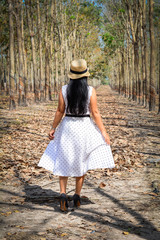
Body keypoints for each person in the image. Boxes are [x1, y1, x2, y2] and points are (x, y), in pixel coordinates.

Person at [38, 59, 115, 212]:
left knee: (63, 159)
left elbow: (60, 111)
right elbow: (95, 112)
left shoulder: (64, 89)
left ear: (71, 75)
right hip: (84, 128)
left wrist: (53, 127)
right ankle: (77, 196)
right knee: (82, 161)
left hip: (67, 127)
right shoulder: (90, 90)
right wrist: (104, 132)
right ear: (85, 75)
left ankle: (62, 194)